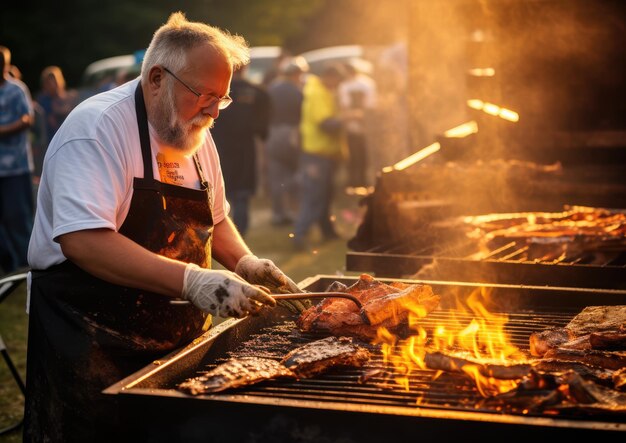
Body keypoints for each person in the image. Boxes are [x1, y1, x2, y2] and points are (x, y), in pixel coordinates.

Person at [24, 12, 305, 442]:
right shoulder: (98, 129)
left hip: (175, 344)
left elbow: (215, 216)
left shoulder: (195, 130)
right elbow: (84, 241)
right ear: (157, 78)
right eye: (205, 94)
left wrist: (244, 261)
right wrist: (192, 281)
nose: (214, 111)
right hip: (90, 339)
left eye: (222, 98)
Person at [292, 63, 347, 251]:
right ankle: (299, 236)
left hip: (325, 154)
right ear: (329, 77)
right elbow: (325, 124)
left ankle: (327, 231)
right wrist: (347, 119)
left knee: (325, 195)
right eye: (337, 82)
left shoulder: (323, 91)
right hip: (315, 155)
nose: (337, 86)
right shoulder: (316, 93)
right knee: (313, 196)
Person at [211, 64, 270, 236]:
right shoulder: (257, 92)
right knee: (242, 192)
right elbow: (263, 129)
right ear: (245, 69)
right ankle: (240, 233)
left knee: (218, 191)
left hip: (218, 147)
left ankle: (218, 232)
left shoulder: (215, 91)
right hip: (245, 148)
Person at [0, 45, 34, 275]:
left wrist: (3, 130)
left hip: (16, 166)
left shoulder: (16, 89)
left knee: (18, 215)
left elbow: (26, 118)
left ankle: (27, 263)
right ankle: (8, 264)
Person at [265, 56, 309, 226]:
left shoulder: (272, 88)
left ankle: (278, 214)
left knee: (276, 177)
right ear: (297, 74)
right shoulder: (298, 91)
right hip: (292, 133)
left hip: (272, 133)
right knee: (295, 174)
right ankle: (296, 212)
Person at [337, 58, 378, 189]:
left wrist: (355, 115)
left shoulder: (365, 84)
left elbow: (371, 107)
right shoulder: (346, 85)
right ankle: (355, 183)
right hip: (354, 127)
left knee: (362, 157)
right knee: (354, 156)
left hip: (364, 126)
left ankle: (362, 182)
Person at [35, 65, 79, 147]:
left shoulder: (70, 97)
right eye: (48, 82)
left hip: (68, 138)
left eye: (53, 81)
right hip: (49, 140)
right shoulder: (43, 100)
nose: (52, 85)